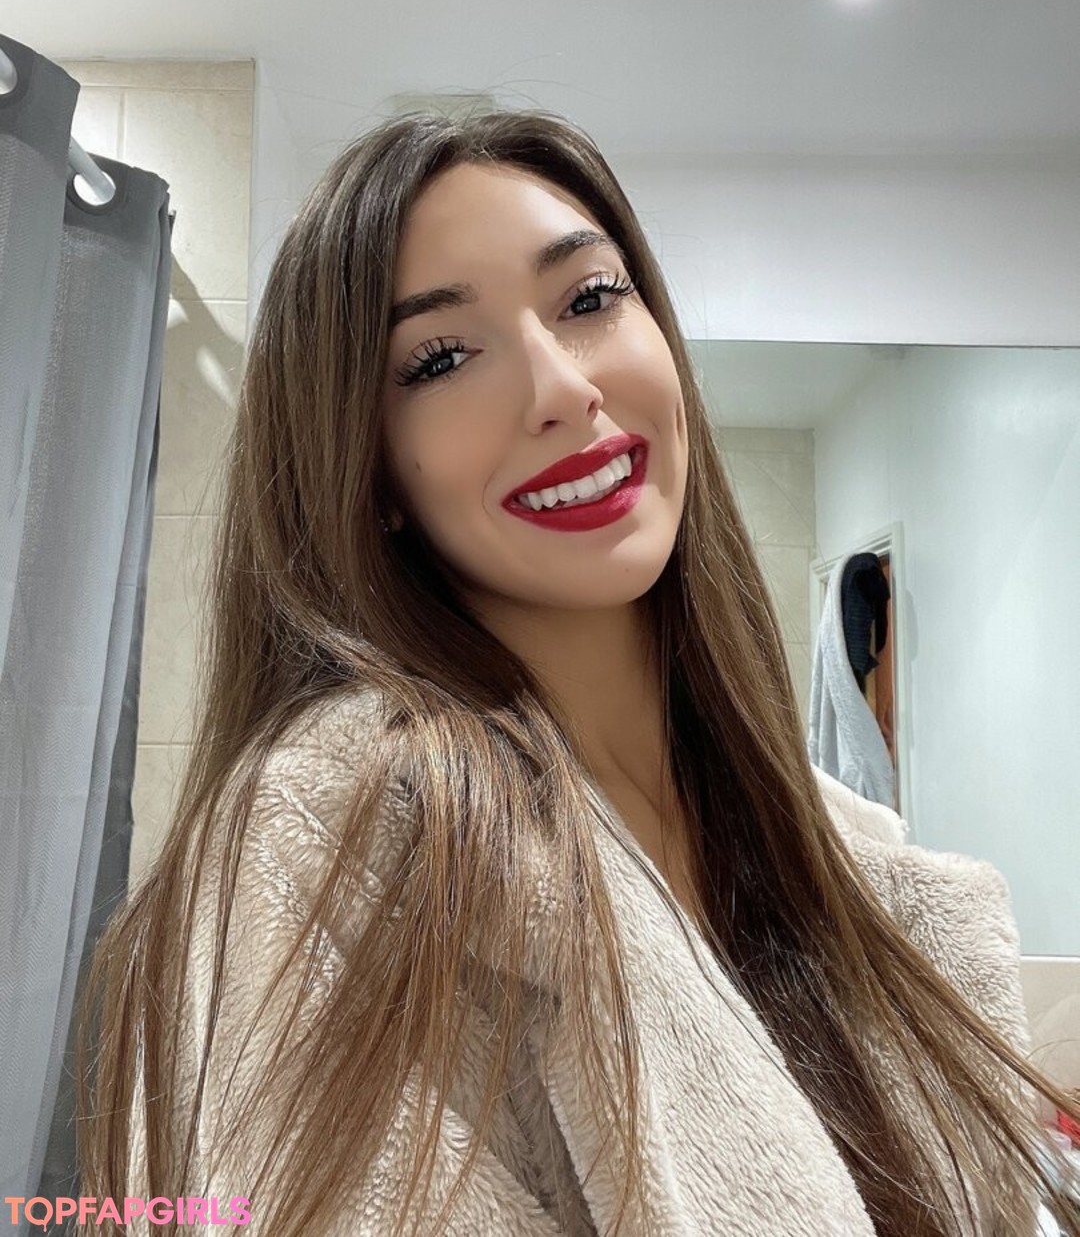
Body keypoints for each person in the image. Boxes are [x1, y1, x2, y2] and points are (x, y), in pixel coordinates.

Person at [75, 110, 1080, 1236]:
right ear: (370, 470)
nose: (560, 385)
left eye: (590, 298)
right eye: (442, 358)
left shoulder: (838, 850)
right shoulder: (336, 834)